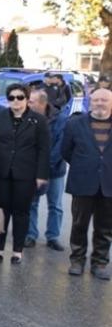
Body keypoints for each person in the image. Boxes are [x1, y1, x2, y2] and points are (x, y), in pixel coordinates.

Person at [0, 83, 50, 264]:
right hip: (1, 174)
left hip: (26, 175)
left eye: (20, 97)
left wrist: (41, 175)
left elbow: (44, 150)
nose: (16, 101)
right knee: (0, 213)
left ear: (27, 99)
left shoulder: (38, 120)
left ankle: (17, 251)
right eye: (12, 97)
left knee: (21, 213)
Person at [61, 87, 112, 279]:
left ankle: (99, 263)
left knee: (105, 228)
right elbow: (66, 151)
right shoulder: (76, 123)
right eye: (96, 100)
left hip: (108, 184)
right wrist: (84, 165)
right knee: (79, 224)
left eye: (104, 100)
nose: (99, 103)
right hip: (83, 182)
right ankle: (77, 260)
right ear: (90, 101)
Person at [25, 89, 68, 251]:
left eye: (31, 101)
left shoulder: (61, 119)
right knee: (32, 204)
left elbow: (61, 146)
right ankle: (30, 235)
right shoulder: (27, 118)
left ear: (42, 103)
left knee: (55, 205)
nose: (28, 104)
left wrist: (45, 167)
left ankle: (53, 236)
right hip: (33, 169)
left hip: (55, 170)